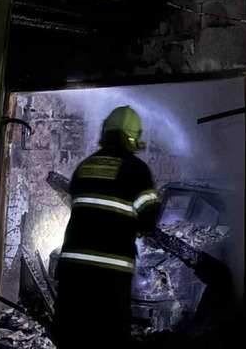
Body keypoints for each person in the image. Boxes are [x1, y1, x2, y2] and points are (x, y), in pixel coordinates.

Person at [53, 105, 161, 349]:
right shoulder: (136, 170)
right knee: (108, 338)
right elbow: (149, 216)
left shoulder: (84, 167)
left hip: (73, 275)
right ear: (133, 137)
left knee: (72, 337)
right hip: (108, 278)